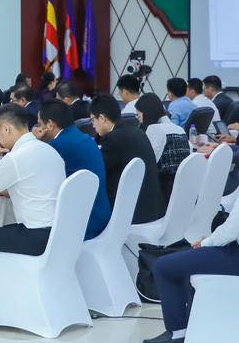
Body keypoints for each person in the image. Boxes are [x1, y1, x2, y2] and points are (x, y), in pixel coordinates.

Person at [144, 105, 239, 343]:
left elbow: (233, 228)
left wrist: (205, 243)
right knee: (189, 260)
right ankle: (193, 323)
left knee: (164, 266)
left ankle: (177, 331)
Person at [0, 105, 66, 255]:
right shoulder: (49, 150)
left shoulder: (15, 157)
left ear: (6, 129)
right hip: (59, 233)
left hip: (35, 236)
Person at [34, 101, 111, 239]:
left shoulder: (56, 146)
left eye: (40, 124)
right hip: (100, 216)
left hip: (82, 226)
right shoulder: (85, 138)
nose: (38, 128)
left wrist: (35, 141)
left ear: (50, 124)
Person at [89, 95, 164, 224]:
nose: (93, 126)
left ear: (102, 118)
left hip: (133, 214)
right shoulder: (137, 132)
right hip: (154, 210)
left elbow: (99, 171)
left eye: (92, 120)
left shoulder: (112, 139)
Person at [135, 93, 189, 200]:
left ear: (147, 113)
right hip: (183, 191)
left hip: (163, 193)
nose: (139, 120)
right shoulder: (180, 130)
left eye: (139, 115)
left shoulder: (154, 129)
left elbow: (147, 163)